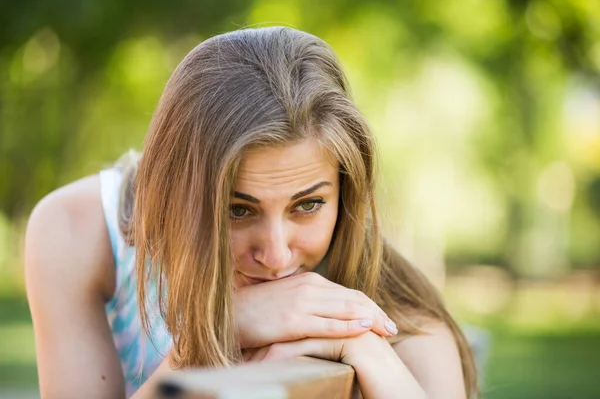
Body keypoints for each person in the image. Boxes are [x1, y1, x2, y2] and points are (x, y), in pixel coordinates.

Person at [25, 27, 477, 399]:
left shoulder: (386, 303)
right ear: (173, 192)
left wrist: (365, 348)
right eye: (237, 211)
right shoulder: (77, 232)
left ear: (346, 194)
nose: (277, 255)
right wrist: (212, 338)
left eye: (308, 205)